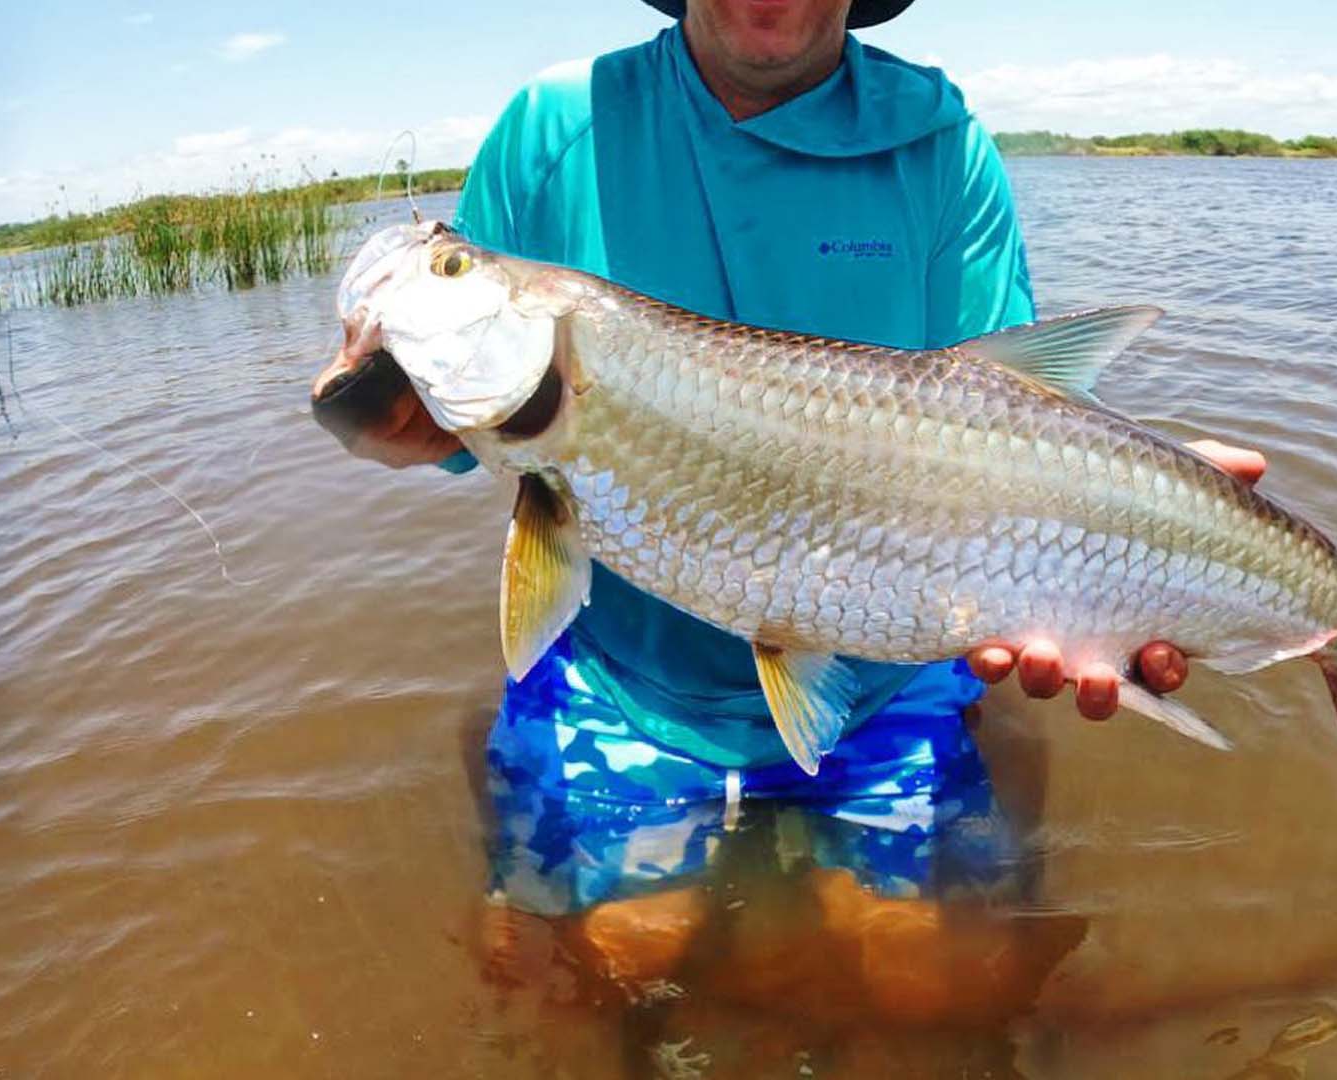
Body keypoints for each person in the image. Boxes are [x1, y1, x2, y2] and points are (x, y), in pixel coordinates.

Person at [314, 0, 1264, 1035]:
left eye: (453, 266)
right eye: (453, 268)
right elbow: (448, 432)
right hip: (623, 683)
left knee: (939, 988)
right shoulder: (554, 128)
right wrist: (369, 409)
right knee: (577, 974)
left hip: (887, 682)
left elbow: (1009, 417)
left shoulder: (939, 141)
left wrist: (1141, 502)